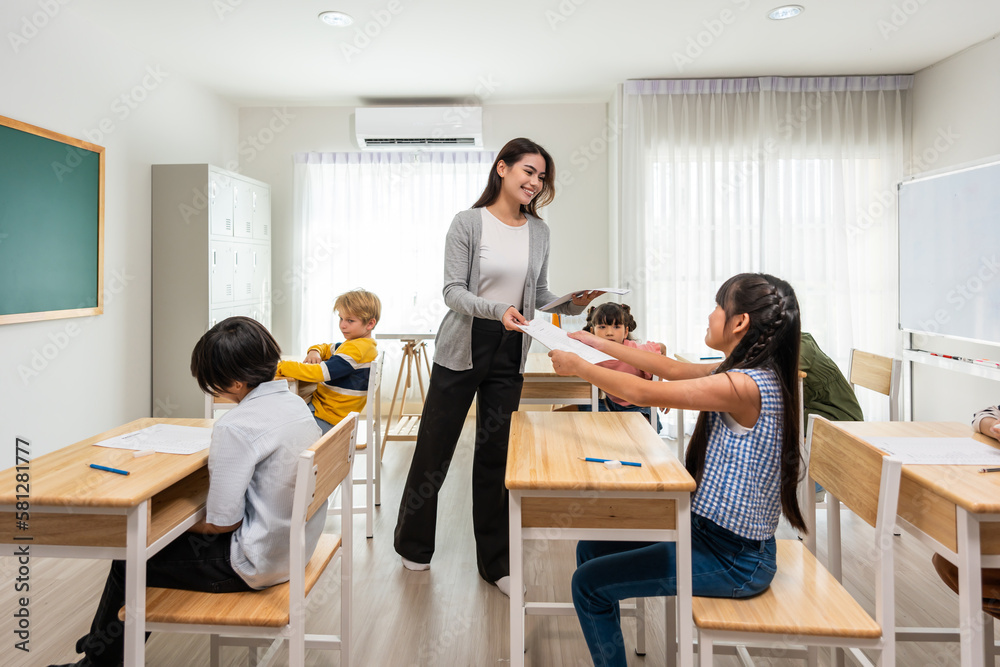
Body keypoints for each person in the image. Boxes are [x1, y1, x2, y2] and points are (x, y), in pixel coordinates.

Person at [548, 273, 806, 667]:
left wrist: (579, 366)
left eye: (718, 306)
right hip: (705, 535)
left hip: (734, 560)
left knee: (588, 586)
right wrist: (595, 343)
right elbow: (666, 367)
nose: (710, 314)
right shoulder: (739, 372)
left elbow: (644, 392)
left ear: (739, 322)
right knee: (589, 549)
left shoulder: (743, 386)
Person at [49, 317, 325, 667]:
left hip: (255, 564)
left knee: (132, 557)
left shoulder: (236, 426)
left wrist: (163, 526)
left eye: (212, 381)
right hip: (296, 547)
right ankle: (101, 646)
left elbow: (223, 524)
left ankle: (97, 661)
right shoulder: (295, 404)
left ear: (236, 382)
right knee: (148, 544)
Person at [393, 137, 602, 596]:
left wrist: (568, 304)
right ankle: (412, 544)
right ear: (502, 169)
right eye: (528, 171)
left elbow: (537, 293)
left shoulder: (539, 232)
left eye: (541, 176)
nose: (535, 182)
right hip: (463, 344)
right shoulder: (468, 223)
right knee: (435, 448)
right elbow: (452, 292)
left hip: (511, 346)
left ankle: (496, 563)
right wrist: (498, 311)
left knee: (497, 455)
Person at [276, 288, 380, 435]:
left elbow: (319, 373)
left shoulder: (356, 350)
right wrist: (315, 351)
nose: (342, 325)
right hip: (328, 411)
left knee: (281, 426)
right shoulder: (360, 344)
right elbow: (327, 348)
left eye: (350, 320)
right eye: (341, 318)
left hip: (328, 419)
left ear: (370, 324)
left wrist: (281, 366)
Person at [576, 302, 665, 420]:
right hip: (609, 404)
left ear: (626, 332)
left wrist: (660, 383)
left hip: (638, 407)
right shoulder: (592, 352)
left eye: (616, 327)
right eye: (602, 327)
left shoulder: (635, 350)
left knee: (640, 430)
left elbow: (662, 348)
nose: (609, 333)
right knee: (571, 411)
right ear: (592, 332)